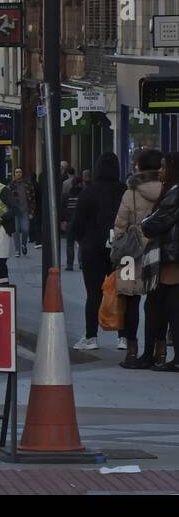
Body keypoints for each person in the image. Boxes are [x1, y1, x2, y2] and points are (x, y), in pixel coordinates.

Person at [111, 148, 165, 368]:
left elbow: (120, 227)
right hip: (159, 252)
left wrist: (116, 247)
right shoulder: (167, 190)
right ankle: (159, 352)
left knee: (129, 300)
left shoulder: (130, 192)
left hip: (129, 255)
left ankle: (131, 350)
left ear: (140, 167)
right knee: (158, 302)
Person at [68, 153, 126, 352]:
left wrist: (80, 240)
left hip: (92, 248)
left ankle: (91, 336)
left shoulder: (89, 191)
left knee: (93, 294)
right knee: (122, 292)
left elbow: (77, 224)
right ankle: (124, 336)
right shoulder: (123, 191)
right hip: (120, 249)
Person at [139, 151, 179, 371]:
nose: (160, 171)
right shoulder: (170, 191)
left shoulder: (174, 193)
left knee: (159, 306)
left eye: (164, 167)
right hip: (168, 256)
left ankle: (150, 355)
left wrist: (145, 221)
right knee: (161, 306)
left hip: (170, 257)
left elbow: (155, 223)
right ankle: (152, 354)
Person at [61, 171, 84, 271]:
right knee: (81, 243)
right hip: (81, 222)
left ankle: (70, 264)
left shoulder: (66, 195)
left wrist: (63, 220)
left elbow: (62, 209)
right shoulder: (84, 195)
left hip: (70, 222)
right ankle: (81, 262)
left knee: (70, 243)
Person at [8, 167, 33, 256]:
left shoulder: (28, 184)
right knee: (16, 231)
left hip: (25, 210)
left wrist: (31, 211)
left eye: (20, 172)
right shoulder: (11, 185)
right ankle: (17, 250)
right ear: (14, 174)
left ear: (22, 173)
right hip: (15, 211)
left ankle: (24, 244)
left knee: (25, 229)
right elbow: (8, 199)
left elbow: (32, 198)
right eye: (17, 172)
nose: (18, 174)